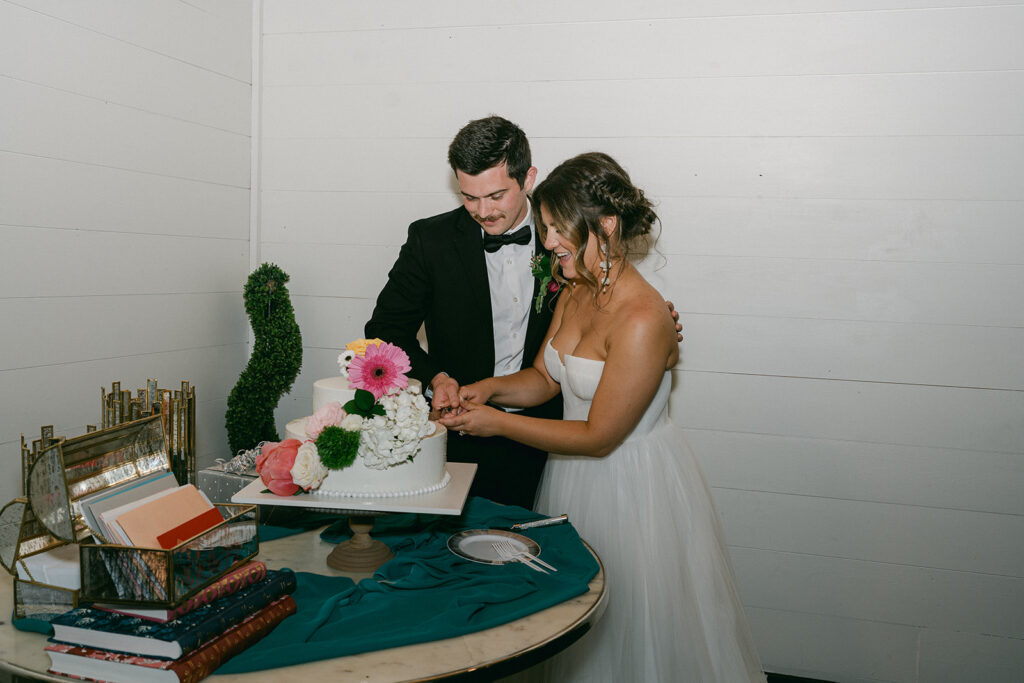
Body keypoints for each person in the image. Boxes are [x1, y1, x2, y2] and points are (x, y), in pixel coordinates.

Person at [438, 153, 766, 681]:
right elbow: (545, 379)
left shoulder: (642, 318)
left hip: (631, 487)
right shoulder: (576, 291)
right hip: (571, 477)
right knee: (568, 622)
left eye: (557, 228)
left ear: (605, 225)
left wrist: (495, 423)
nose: (548, 243)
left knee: (630, 632)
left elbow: (598, 435)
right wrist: (486, 391)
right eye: (544, 229)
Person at [364, 116, 561, 509]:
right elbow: (386, 330)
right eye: (469, 197)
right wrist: (436, 377)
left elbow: (605, 299)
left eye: (496, 195)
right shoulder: (430, 240)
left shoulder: (563, 233)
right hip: (462, 433)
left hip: (550, 431)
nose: (483, 211)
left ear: (528, 178)